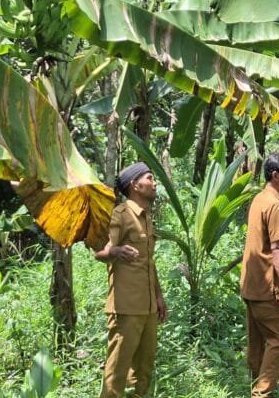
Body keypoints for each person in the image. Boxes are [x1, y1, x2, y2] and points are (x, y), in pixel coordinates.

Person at [95, 162, 167, 398]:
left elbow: (149, 262)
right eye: (150, 178)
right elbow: (100, 252)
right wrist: (115, 252)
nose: (154, 183)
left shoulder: (146, 217)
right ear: (135, 185)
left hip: (147, 308)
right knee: (117, 372)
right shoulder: (121, 214)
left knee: (144, 369)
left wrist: (158, 296)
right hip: (126, 308)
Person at [240, 153, 279, 398]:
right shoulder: (274, 204)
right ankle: (261, 393)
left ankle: (258, 386)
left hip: (250, 284)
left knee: (258, 342)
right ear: (276, 175)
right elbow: (276, 247)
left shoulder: (259, 199)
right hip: (265, 284)